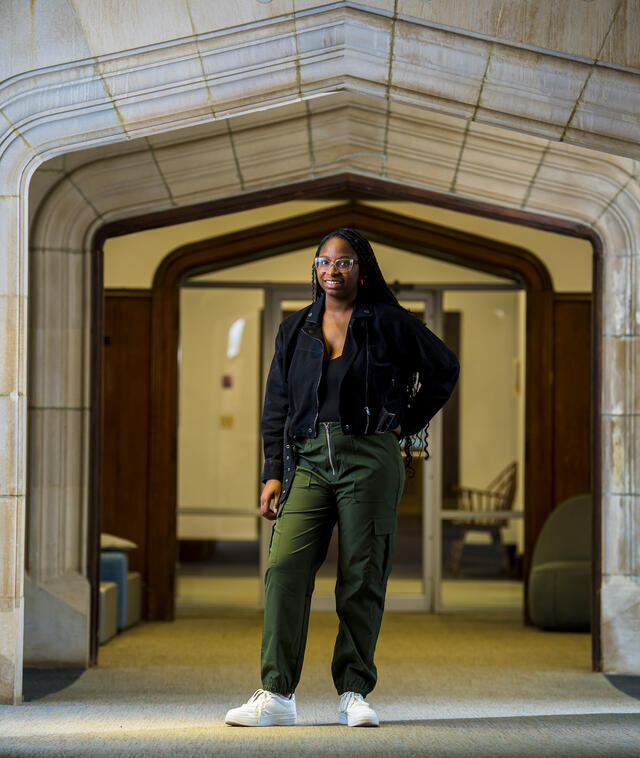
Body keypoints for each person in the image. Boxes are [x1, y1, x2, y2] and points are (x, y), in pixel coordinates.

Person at [225, 228, 459, 727]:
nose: (333, 270)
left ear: (362, 269)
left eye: (345, 262)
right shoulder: (295, 329)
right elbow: (277, 407)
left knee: (361, 575)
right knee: (284, 568)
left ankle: (354, 691)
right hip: (307, 458)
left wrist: (407, 421)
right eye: (324, 262)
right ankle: (277, 695)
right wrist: (271, 474)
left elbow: (444, 368)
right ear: (315, 269)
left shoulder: (391, 323)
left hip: (370, 458)